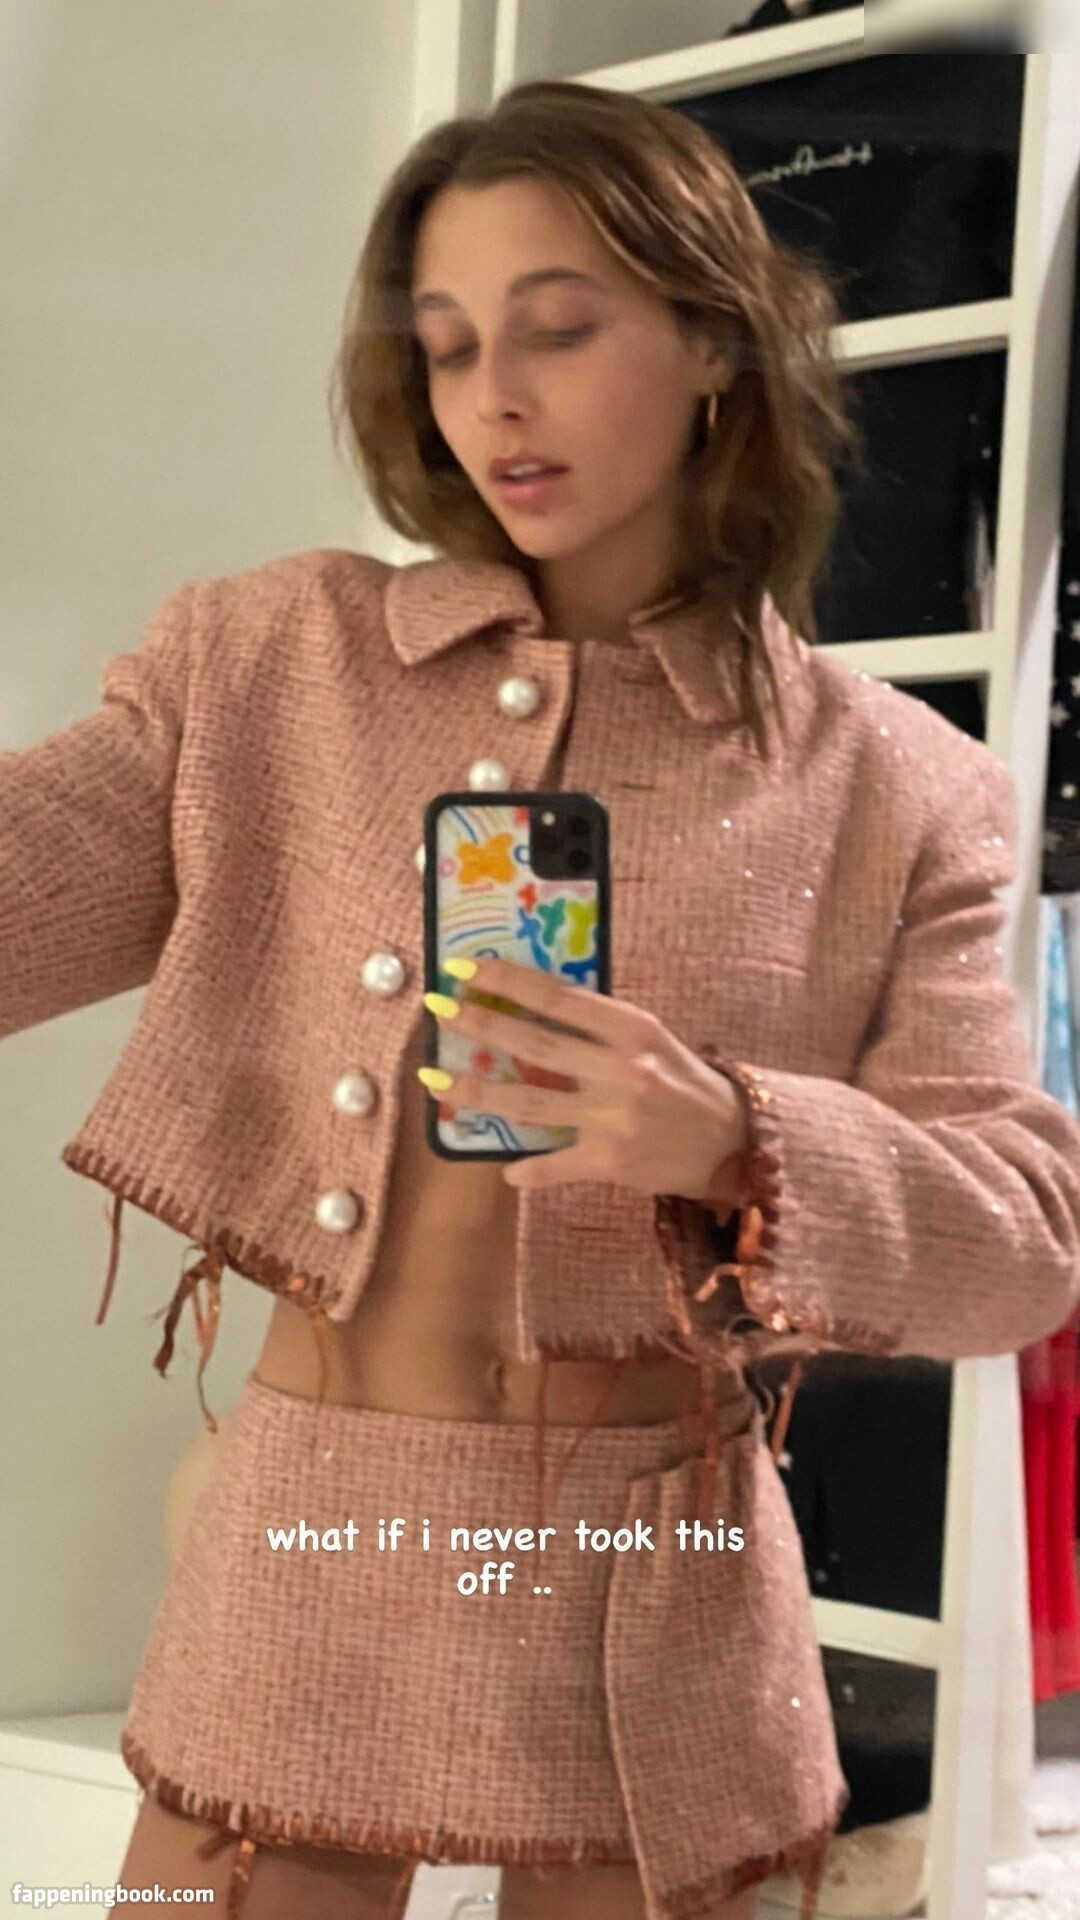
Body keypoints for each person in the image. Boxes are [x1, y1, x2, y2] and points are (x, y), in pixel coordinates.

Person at [6, 77, 1080, 1920]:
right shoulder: (272, 662)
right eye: (447, 347)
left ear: (718, 341)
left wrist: (737, 1139)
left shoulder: (901, 787)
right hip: (311, 1541)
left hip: (654, 1592)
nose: (494, 396)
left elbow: (1028, 1240)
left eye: (559, 329)